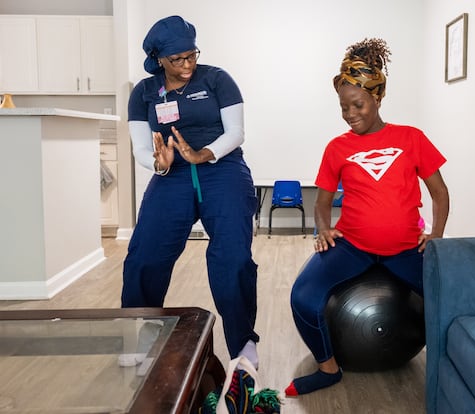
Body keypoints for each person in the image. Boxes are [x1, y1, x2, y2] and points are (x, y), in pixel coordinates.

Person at [285, 38, 449, 396]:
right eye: (343, 107)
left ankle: (445, 370)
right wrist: (324, 228)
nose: (350, 113)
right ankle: (328, 369)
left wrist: (436, 233)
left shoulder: (411, 138)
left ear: (378, 98)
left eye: (357, 104)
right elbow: (322, 201)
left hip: (406, 248)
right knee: (303, 296)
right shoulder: (337, 147)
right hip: (353, 246)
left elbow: (439, 191)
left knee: (449, 299)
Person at [121, 15, 260, 368]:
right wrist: (159, 163)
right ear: (158, 60)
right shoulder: (144, 92)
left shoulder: (217, 79)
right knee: (144, 256)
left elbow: (236, 132)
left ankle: (242, 342)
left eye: (191, 55)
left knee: (233, 259)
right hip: (172, 176)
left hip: (221, 170)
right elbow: (140, 146)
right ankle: (143, 330)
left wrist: (204, 153)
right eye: (176, 60)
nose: (187, 65)